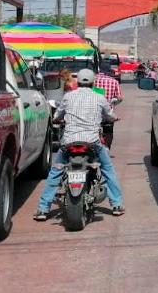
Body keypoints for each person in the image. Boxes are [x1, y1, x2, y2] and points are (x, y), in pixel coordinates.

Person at [34, 69, 124, 220]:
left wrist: (58, 119)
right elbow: (109, 115)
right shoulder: (99, 97)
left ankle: (43, 209)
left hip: (68, 143)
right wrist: (113, 118)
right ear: (92, 82)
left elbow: (57, 115)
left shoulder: (68, 97)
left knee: (55, 173)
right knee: (108, 169)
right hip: (92, 142)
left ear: (78, 81)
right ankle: (116, 205)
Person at [95, 62, 124, 147]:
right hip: (108, 113)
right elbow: (120, 98)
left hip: (94, 111)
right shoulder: (114, 82)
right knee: (108, 132)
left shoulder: (93, 80)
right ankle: (106, 148)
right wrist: (114, 102)